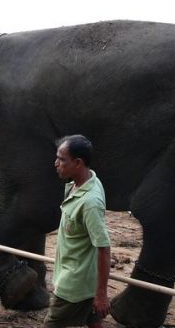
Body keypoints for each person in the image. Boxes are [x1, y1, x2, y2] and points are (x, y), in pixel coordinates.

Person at [43, 135, 111, 328]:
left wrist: (102, 294)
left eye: (62, 159)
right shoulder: (87, 181)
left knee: (52, 324)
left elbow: (104, 248)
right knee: (93, 320)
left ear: (78, 163)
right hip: (83, 277)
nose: (56, 163)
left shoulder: (90, 203)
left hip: (74, 284)